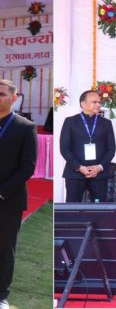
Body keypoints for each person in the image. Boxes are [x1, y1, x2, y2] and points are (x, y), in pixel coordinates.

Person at [0, 79, 37, 309]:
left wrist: (2, 192)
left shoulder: (25, 127)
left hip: (8, 200)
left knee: (4, 249)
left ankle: (1, 294)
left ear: (14, 98)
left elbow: (27, 167)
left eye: (2, 94)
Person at [60, 90, 116, 202]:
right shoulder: (70, 121)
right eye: (94, 102)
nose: (98, 105)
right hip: (75, 172)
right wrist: (79, 167)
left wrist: (100, 167)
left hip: (99, 174)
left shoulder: (106, 123)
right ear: (83, 104)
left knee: (99, 210)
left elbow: (111, 149)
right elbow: (64, 148)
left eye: (99, 102)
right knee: (72, 209)